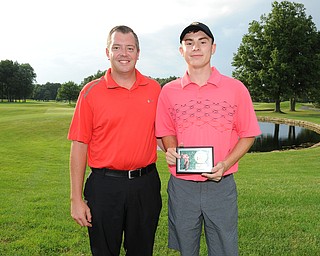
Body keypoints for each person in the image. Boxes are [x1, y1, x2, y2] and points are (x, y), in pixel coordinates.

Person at [155, 22, 261, 256]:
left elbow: (248, 134)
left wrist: (225, 163)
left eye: (203, 42)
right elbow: (165, 131)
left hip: (220, 185)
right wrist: (171, 149)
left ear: (213, 48)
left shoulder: (236, 88)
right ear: (181, 51)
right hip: (182, 186)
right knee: (186, 248)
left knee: (224, 247)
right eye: (189, 43)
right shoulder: (169, 91)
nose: (196, 48)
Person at [68, 25, 162, 256]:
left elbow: (165, 134)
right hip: (104, 186)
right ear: (107, 52)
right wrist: (76, 199)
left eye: (130, 48)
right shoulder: (90, 92)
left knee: (142, 251)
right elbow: (79, 145)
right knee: (104, 251)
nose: (124, 53)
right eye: (117, 47)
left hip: (145, 185)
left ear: (138, 53)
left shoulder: (155, 89)